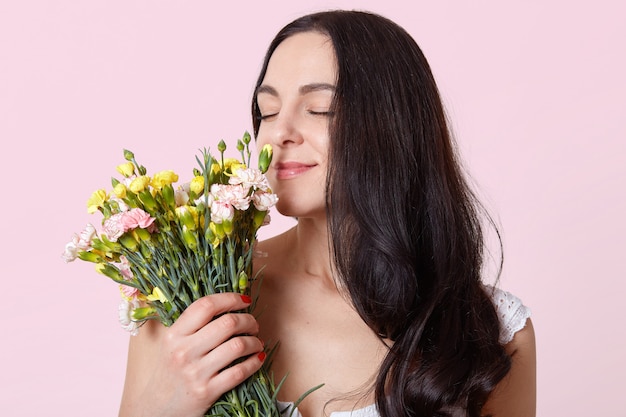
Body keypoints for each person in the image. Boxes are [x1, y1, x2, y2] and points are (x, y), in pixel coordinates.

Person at [119, 10, 536, 417]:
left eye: (318, 108)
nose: (279, 132)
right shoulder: (189, 296)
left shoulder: (487, 329)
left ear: (394, 126)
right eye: (266, 112)